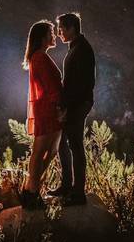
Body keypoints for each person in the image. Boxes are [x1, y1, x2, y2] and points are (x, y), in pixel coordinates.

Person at [49, 12, 95, 206]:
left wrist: (68, 106)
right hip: (75, 103)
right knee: (64, 144)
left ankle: (78, 193)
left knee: (75, 145)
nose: (59, 33)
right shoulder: (76, 47)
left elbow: (83, 84)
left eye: (61, 29)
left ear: (72, 28)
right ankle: (67, 185)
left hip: (78, 104)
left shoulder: (82, 49)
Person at [21, 19, 63, 210]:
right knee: (39, 152)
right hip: (48, 109)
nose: (53, 36)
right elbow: (50, 86)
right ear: (42, 37)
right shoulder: (39, 57)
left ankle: (31, 187)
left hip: (49, 108)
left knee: (51, 150)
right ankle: (31, 191)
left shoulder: (39, 57)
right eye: (50, 33)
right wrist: (60, 107)